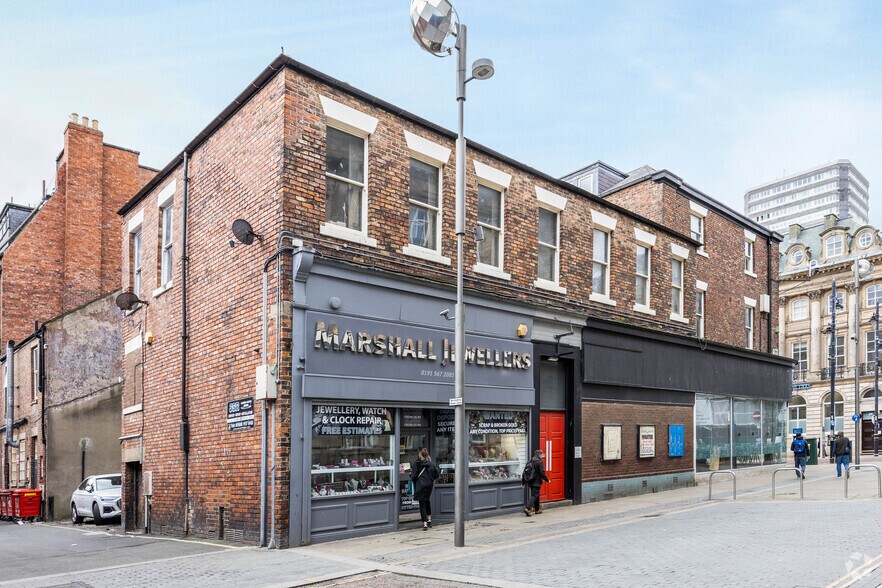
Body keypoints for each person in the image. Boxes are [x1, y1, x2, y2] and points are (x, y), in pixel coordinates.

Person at [410, 448, 439, 530]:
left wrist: (412, 477)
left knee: (422, 504)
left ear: (420, 455)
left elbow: (413, 476)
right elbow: (436, 475)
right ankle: (429, 520)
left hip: (420, 485)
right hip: (429, 485)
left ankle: (425, 524)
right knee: (427, 501)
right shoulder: (431, 464)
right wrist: (430, 479)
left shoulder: (417, 463)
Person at [522, 449, 550, 517]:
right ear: (539, 455)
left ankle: (537, 509)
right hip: (536, 482)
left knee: (536, 494)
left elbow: (524, 472)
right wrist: (547, 480)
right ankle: (527, 508)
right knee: (534, 495)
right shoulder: (539, 462)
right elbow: (542, 473)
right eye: (542, 454)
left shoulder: (530, 461)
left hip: (530, 481)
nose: (543, 456)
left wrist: (523, 482)